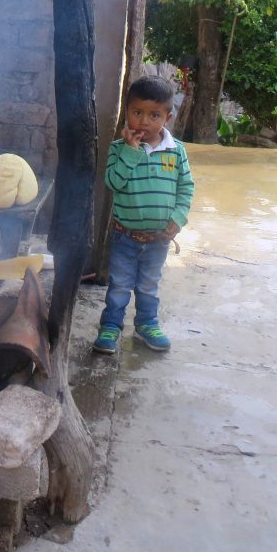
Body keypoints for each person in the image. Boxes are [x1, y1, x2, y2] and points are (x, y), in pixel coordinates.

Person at [93, 75, 195, 355]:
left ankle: (147, 324)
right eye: (137, 113)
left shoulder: (176, 153)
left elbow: (186, 187)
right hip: (124, 236)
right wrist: (131, 151)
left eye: (154, 115)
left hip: (158, 240)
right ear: (127, 112)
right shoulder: (119, 149)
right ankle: (111, 326)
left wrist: (179, 216)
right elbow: (114, 182)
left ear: (168, 118)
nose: (144, 122)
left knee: (149, 286)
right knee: (119, 286)